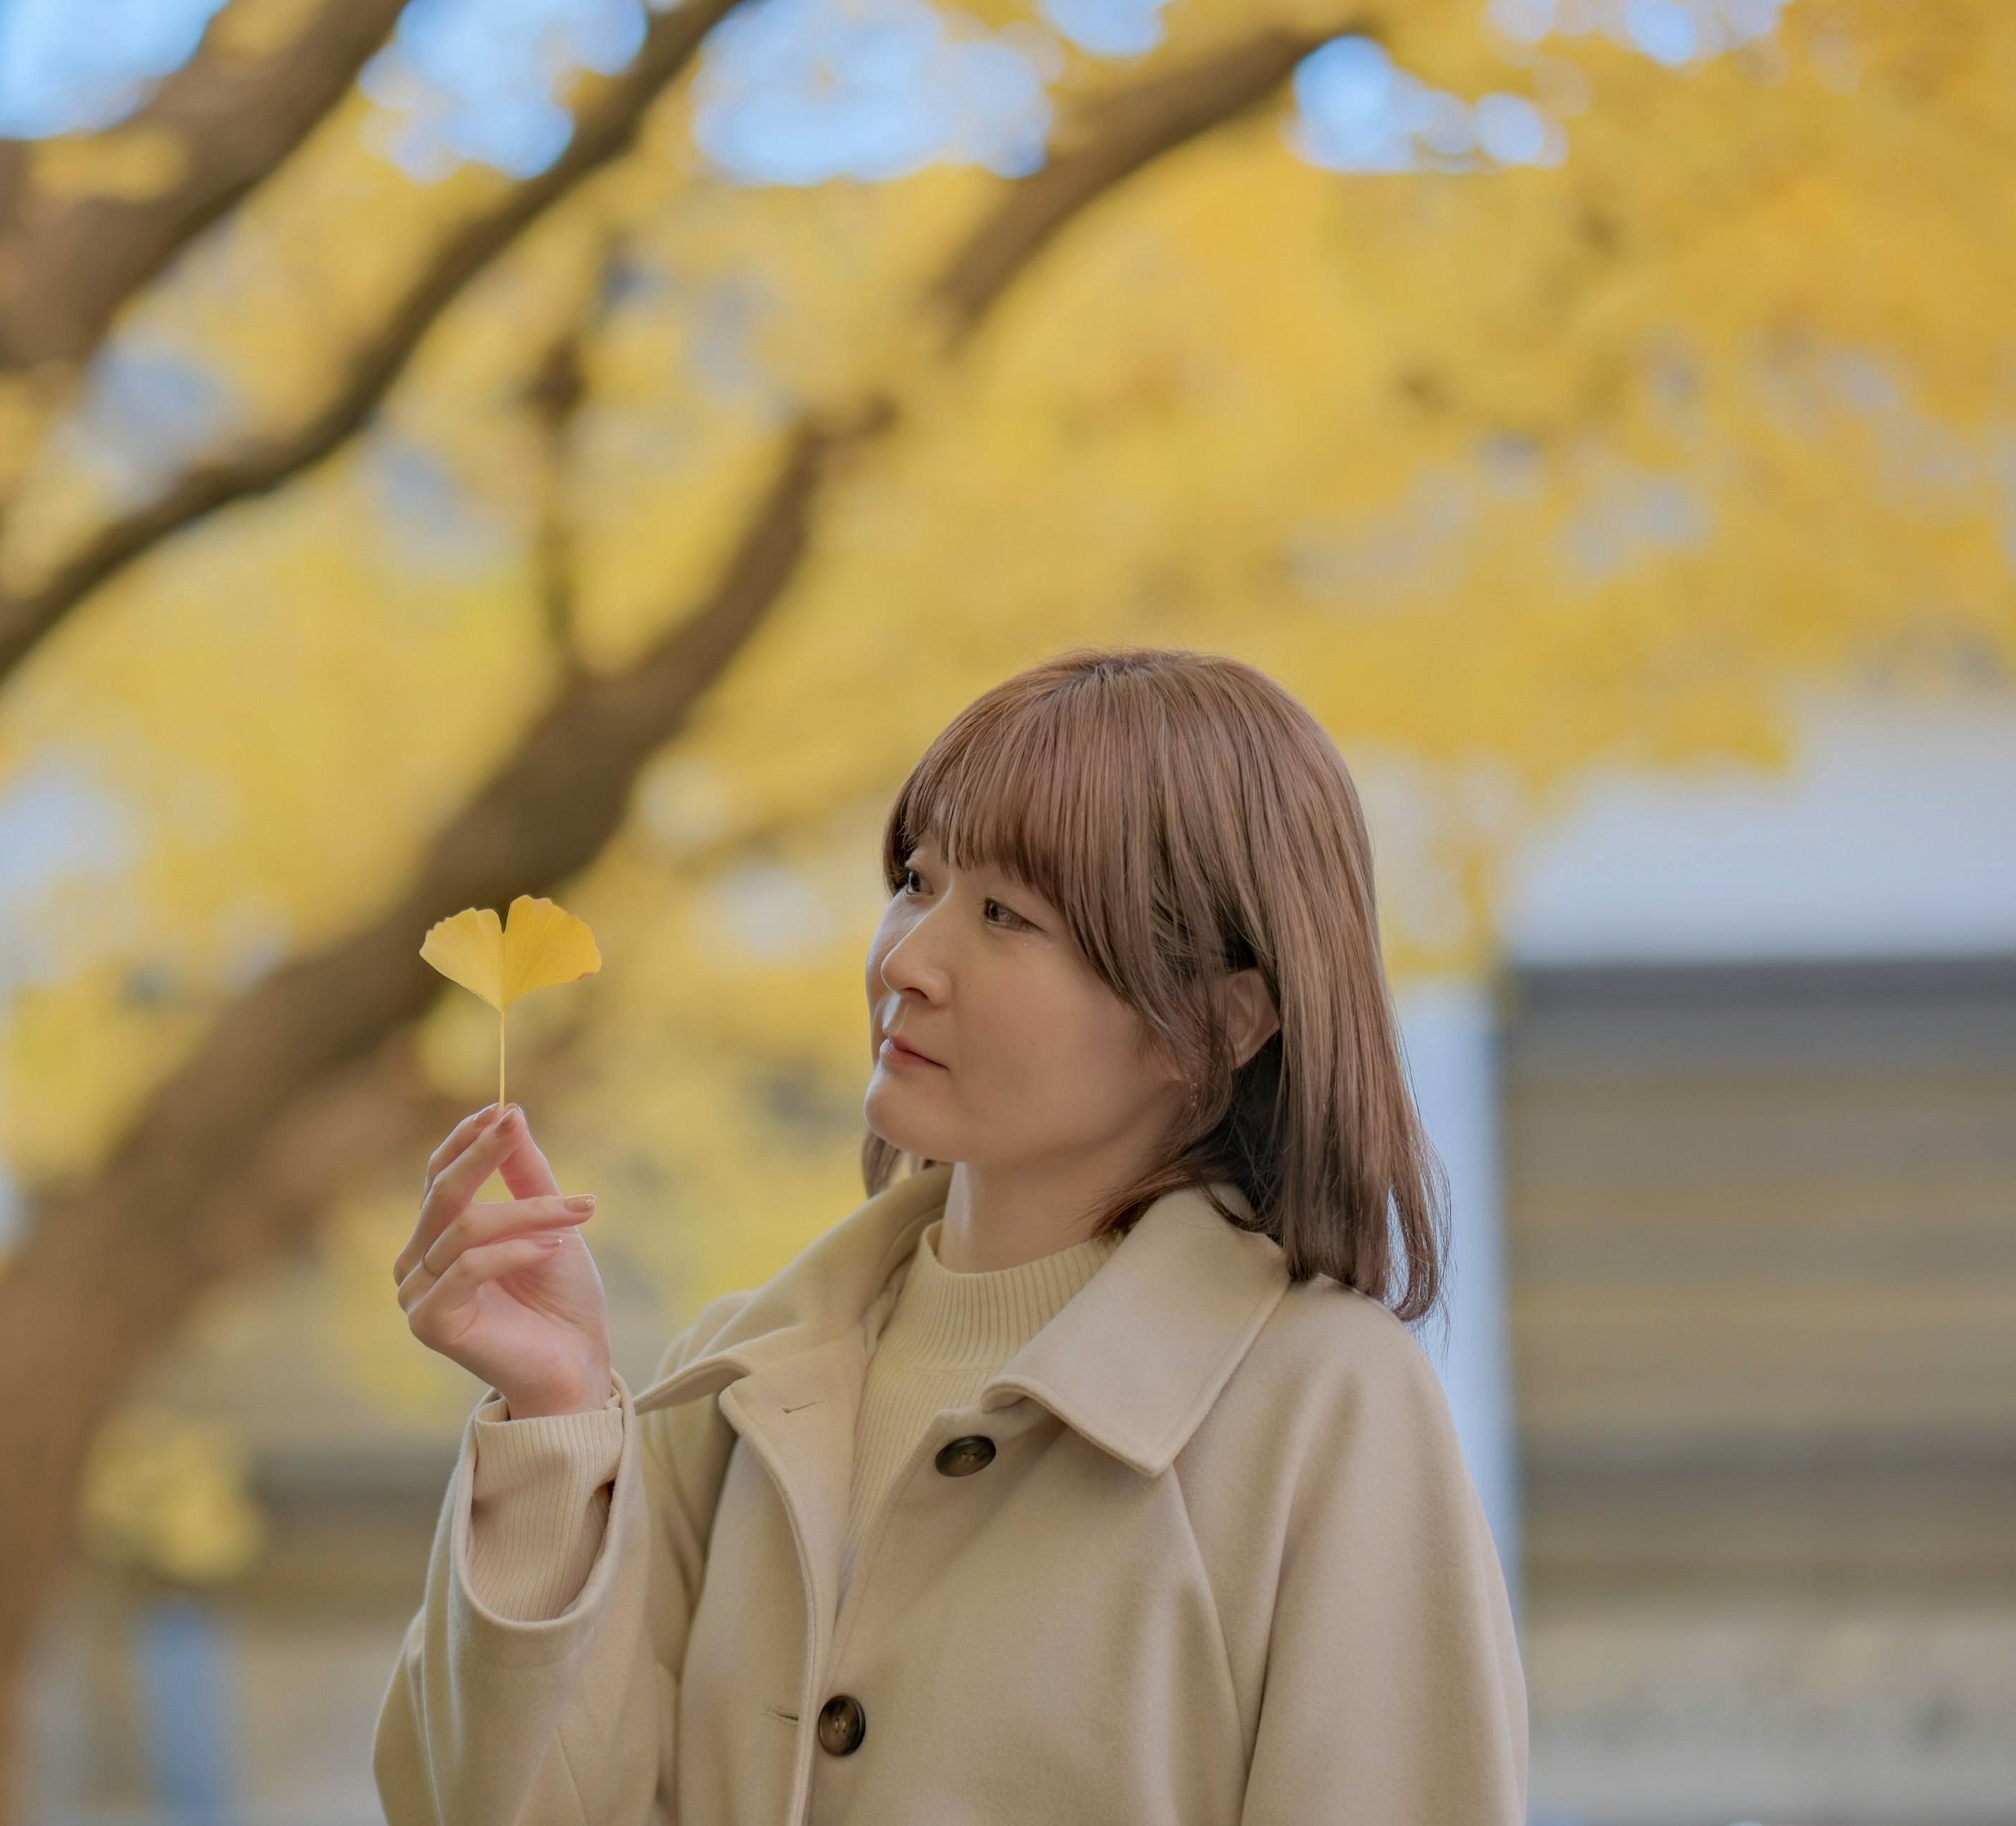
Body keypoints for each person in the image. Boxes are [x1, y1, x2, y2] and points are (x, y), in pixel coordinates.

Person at [373, 647, 1527, 1826]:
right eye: (918, 882)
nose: (906, 962)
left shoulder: (1323, 1407)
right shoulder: (731, 1390)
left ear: (1221, 1023)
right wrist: (556, 1418)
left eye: (1005, 915)